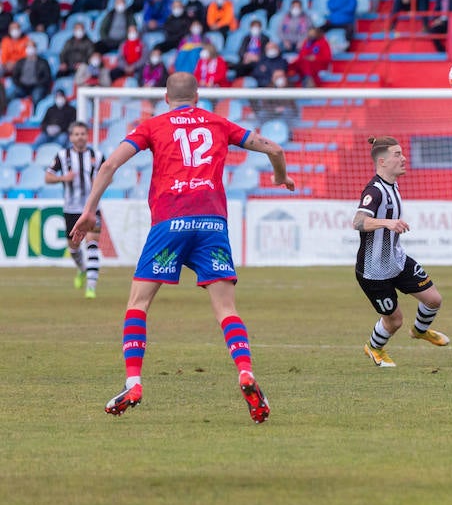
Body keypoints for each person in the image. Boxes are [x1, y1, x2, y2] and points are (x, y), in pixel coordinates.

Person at [71, 73, 293, 421]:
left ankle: (134, 382)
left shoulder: (154, 126)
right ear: (198, 96)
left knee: (138, 303)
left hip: (170, 222)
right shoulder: (217, 122)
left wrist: (88, 211)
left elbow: (111, 164)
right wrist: (280, 176)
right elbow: (275, 148)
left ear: (165, 98)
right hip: (211, 223)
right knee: (226, 309)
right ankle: (245, 371)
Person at [350, 136, 450, 369]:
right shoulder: (374, 191)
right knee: (394, 321)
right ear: (382, 161)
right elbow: (358, 222)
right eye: (397, 154)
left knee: (434, 299)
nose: (404, 158)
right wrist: (387, 223)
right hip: (373, 271)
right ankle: (374, 348)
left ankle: (420, 331)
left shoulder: (392, 185)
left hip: (397, 260)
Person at [44, 121, 104, 299]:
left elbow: (109, 177)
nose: (80, 137)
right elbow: (48, 177)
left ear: (87, 136)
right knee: (74, 248)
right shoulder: (63, 156)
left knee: (92, 243)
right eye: (76, 134)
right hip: (71, 209)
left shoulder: (98, 156)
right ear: (71, 137)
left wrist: (99, 184)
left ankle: (91, 287)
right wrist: (63, 178)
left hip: (92, 208)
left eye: (83, 134)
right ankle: (82, 269)